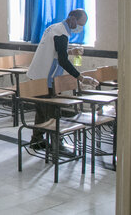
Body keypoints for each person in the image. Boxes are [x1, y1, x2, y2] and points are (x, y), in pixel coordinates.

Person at [26, 9, 99, 150]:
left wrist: (71, 51)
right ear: (72, 18)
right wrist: (81, 78)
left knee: (42, 111)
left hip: (38, 75)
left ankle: (36, 140)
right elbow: (63, 61)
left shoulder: (55, 28)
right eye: (80, 23)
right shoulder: (61, 33)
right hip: (44, 77)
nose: (80, 27)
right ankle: (56, 143)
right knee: (52, 112)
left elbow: (54, 51)